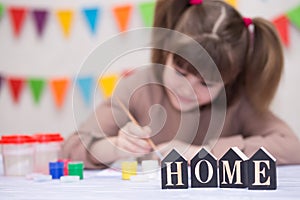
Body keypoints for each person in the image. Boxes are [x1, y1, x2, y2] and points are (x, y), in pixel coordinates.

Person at [62, 0, 300, 169]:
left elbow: (292, 147)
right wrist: (115, 147)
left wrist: (204, 152)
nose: (187, 89)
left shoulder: (237, 101)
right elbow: (70, 150)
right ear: (166, 51)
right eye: (179, 72)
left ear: (229, 81)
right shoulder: (137, 88)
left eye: (205, 84)